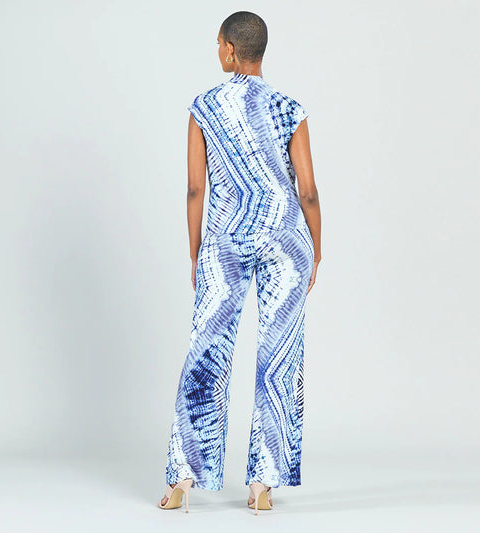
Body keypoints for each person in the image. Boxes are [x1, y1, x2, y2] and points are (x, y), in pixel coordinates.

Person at [158, 10, 321, 514]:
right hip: (285, 240)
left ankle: (182, 480)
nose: (218, 50)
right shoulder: (290, 109)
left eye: (218, 44)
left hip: (225, 240)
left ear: (230, 49)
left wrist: (196, 250)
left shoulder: (204, 107)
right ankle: (262, 486)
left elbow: (195, 188)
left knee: (207, 351)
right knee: (279, 359)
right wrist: (317, 250)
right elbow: (308, 191)